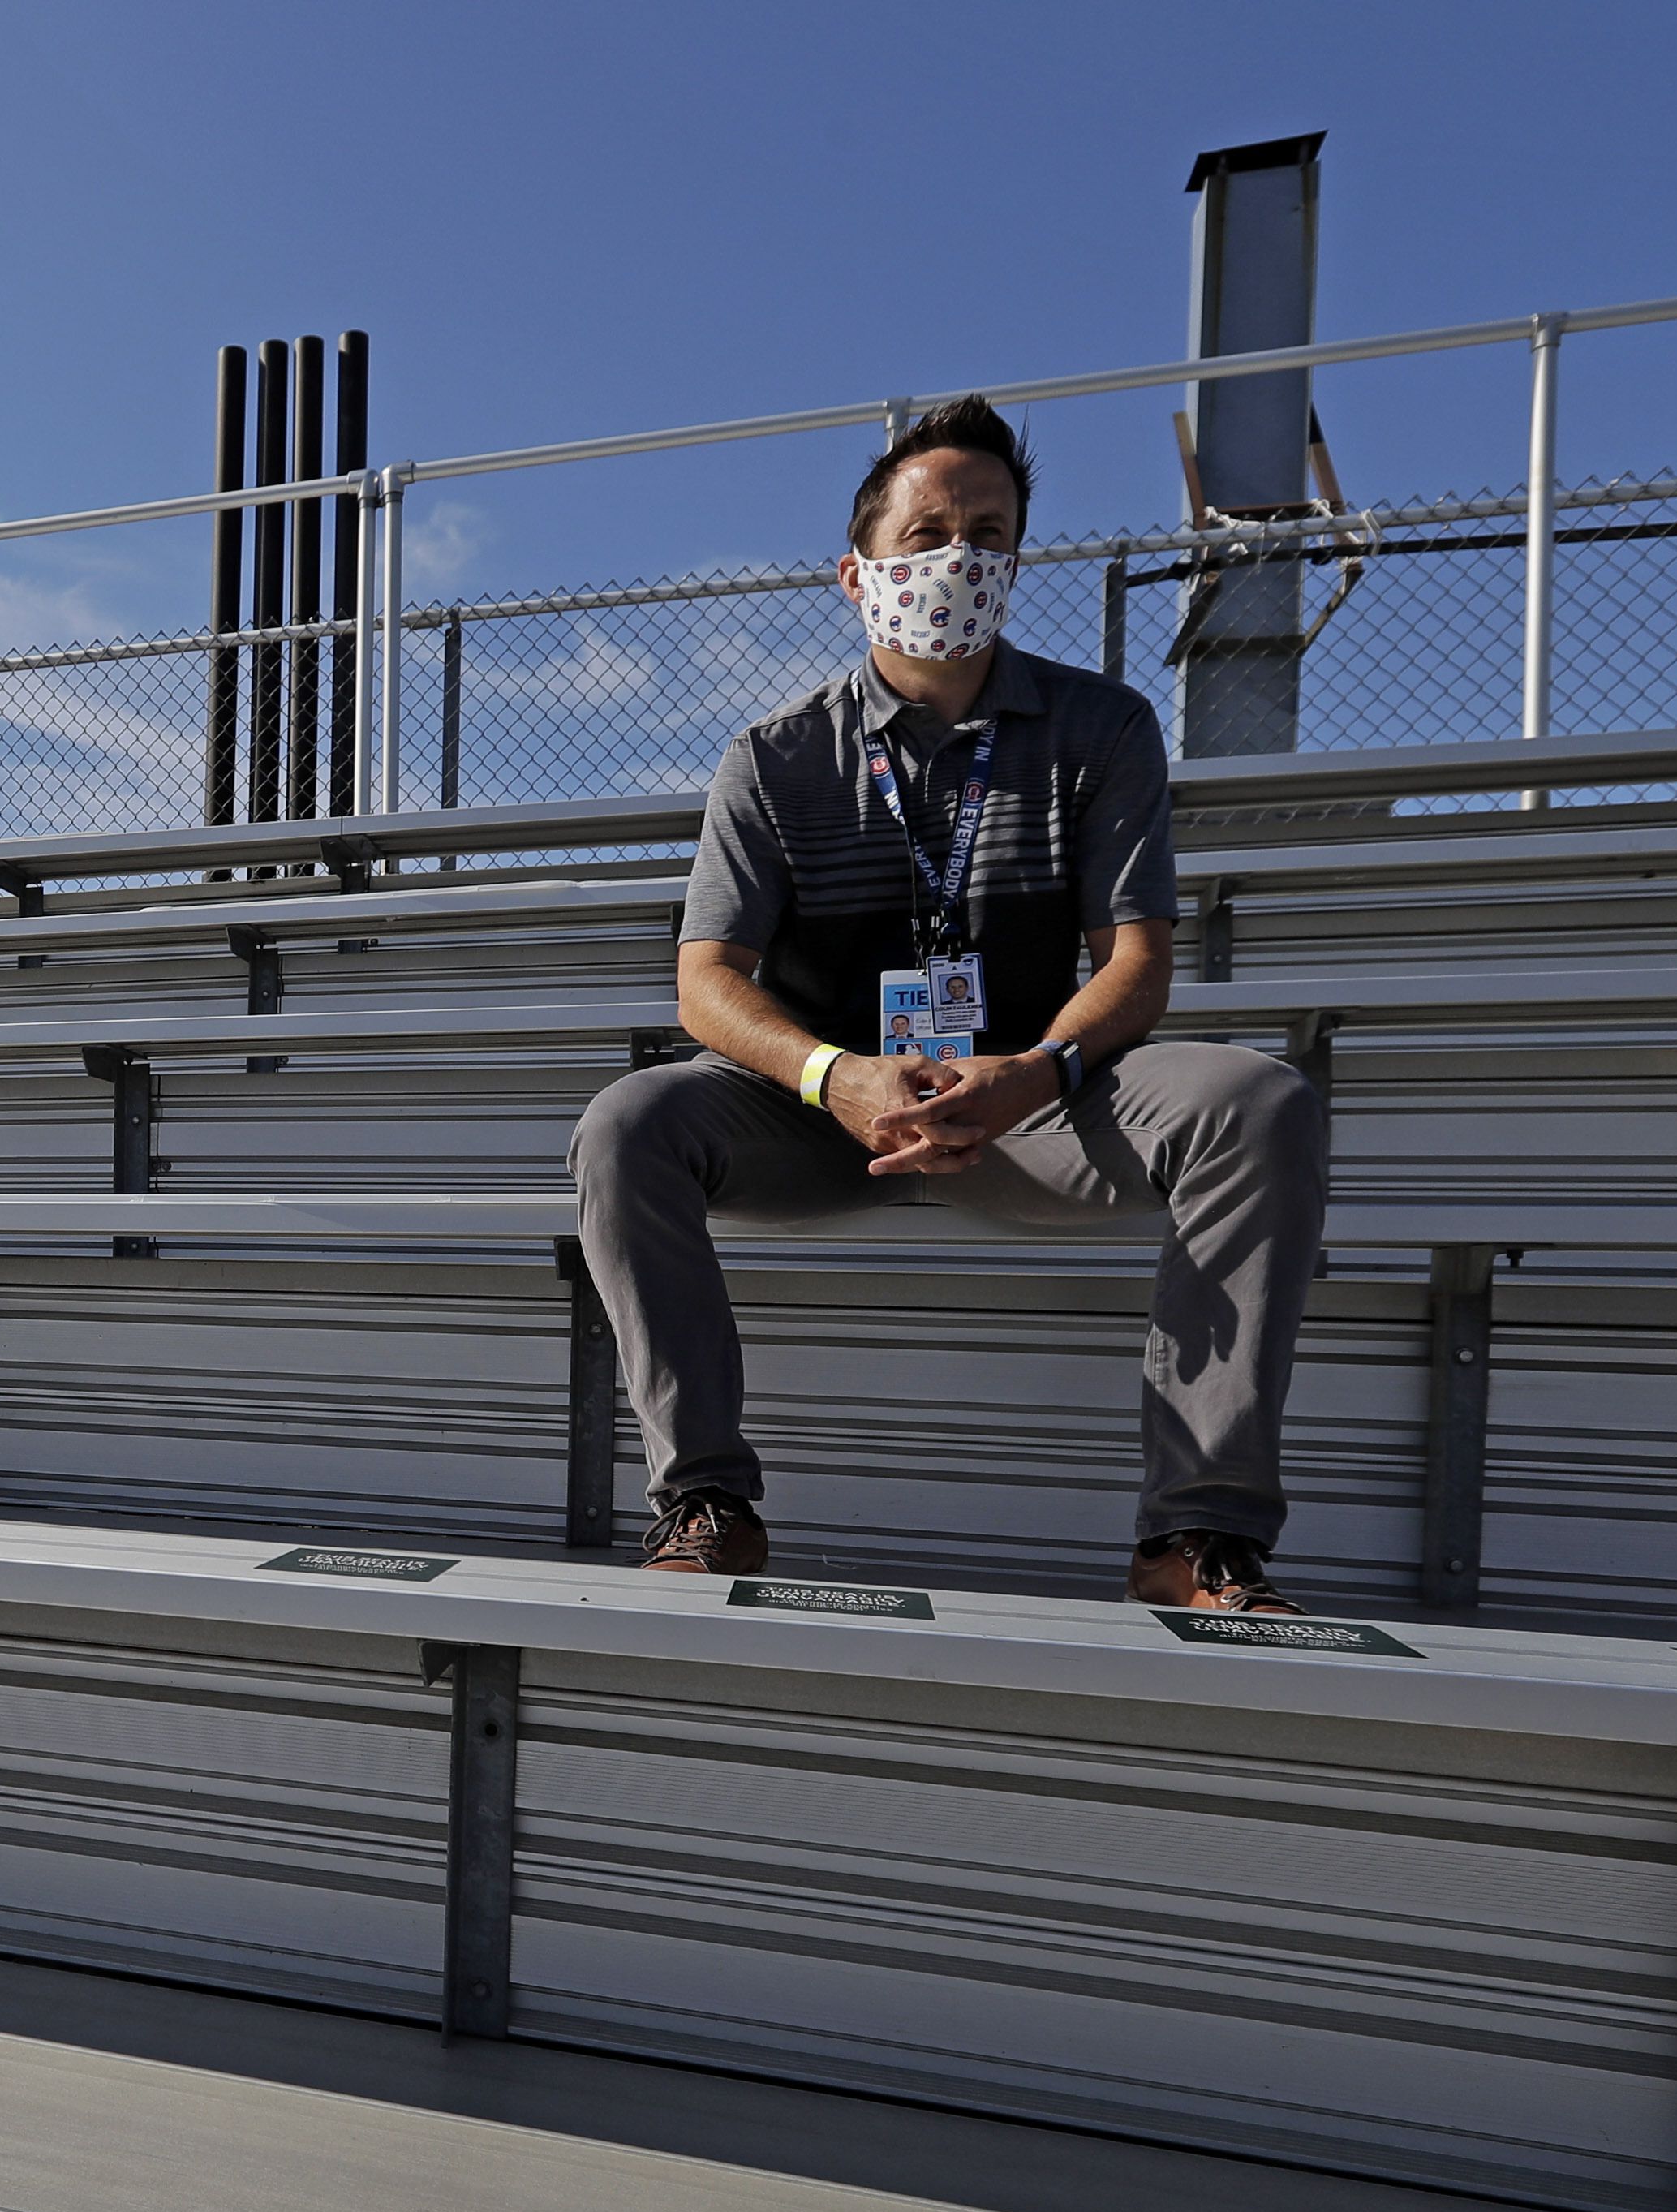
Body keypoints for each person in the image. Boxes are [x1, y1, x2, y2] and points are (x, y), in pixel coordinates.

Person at [569, 397, 1328, 1612]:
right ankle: (702, 1500)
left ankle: (1195, 1536)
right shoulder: (773, 756)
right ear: (854, 569)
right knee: (626, 1123)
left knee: (1258, 1100)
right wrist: (834, 1075)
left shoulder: (1099, 727)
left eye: (987, 531)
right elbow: (704, 983)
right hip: (829, 1115)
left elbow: (1133, 960)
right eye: (924, 533)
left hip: (1030, 1104)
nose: (954, 560)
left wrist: (1034, 1071)